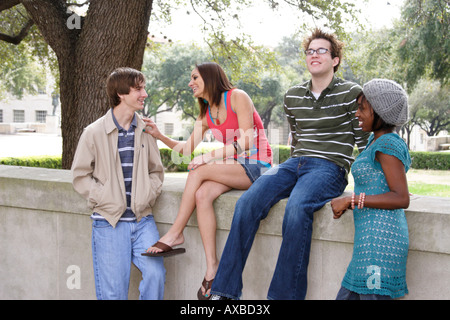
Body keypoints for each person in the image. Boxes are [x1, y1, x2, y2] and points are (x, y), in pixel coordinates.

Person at [210, 28, 370, 300]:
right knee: (247, 202)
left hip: (329, 167)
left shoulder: (352, 93)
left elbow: (364, 142)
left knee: (297, 207)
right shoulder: (292, 96)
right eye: (310, 51)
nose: (314, 55)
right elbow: (296, 139)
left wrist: (375, 184)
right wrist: (293, 164)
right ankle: (224, 292)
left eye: (322, 51)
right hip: (293, 164)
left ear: (335, 60)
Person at [142, 62, 272, 299]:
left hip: (258, 166)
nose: (190, 83)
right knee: (202, 195)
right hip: (233, 167)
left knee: (198, 171)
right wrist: (159, 135)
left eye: (195, 78)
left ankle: (175, 233)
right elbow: (185, 149)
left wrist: (209, 157)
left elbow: (247, 142)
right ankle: (212, 268)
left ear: (210, 78)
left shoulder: (237, 97)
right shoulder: (206, 113)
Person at [71, 67, 165, 300]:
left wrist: (147, 194)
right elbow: (80, 175)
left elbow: (156, 171)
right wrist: (105, 198)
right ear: (121, 94)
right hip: (109, 223)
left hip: (143, 220)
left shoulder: (145, 129)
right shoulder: (93, 132)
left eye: (143, 88)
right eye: (138, 89)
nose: (144, 93)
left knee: (156, 274)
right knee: (114, 294)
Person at [331, 79, 411, 300]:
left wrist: (351, 200)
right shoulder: (375, 141)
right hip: (369, 244)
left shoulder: (388, 144)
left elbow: (401, 197)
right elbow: (386, 184)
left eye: (362, 108)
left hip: (381, 246)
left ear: (379, 112)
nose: (357, 113)